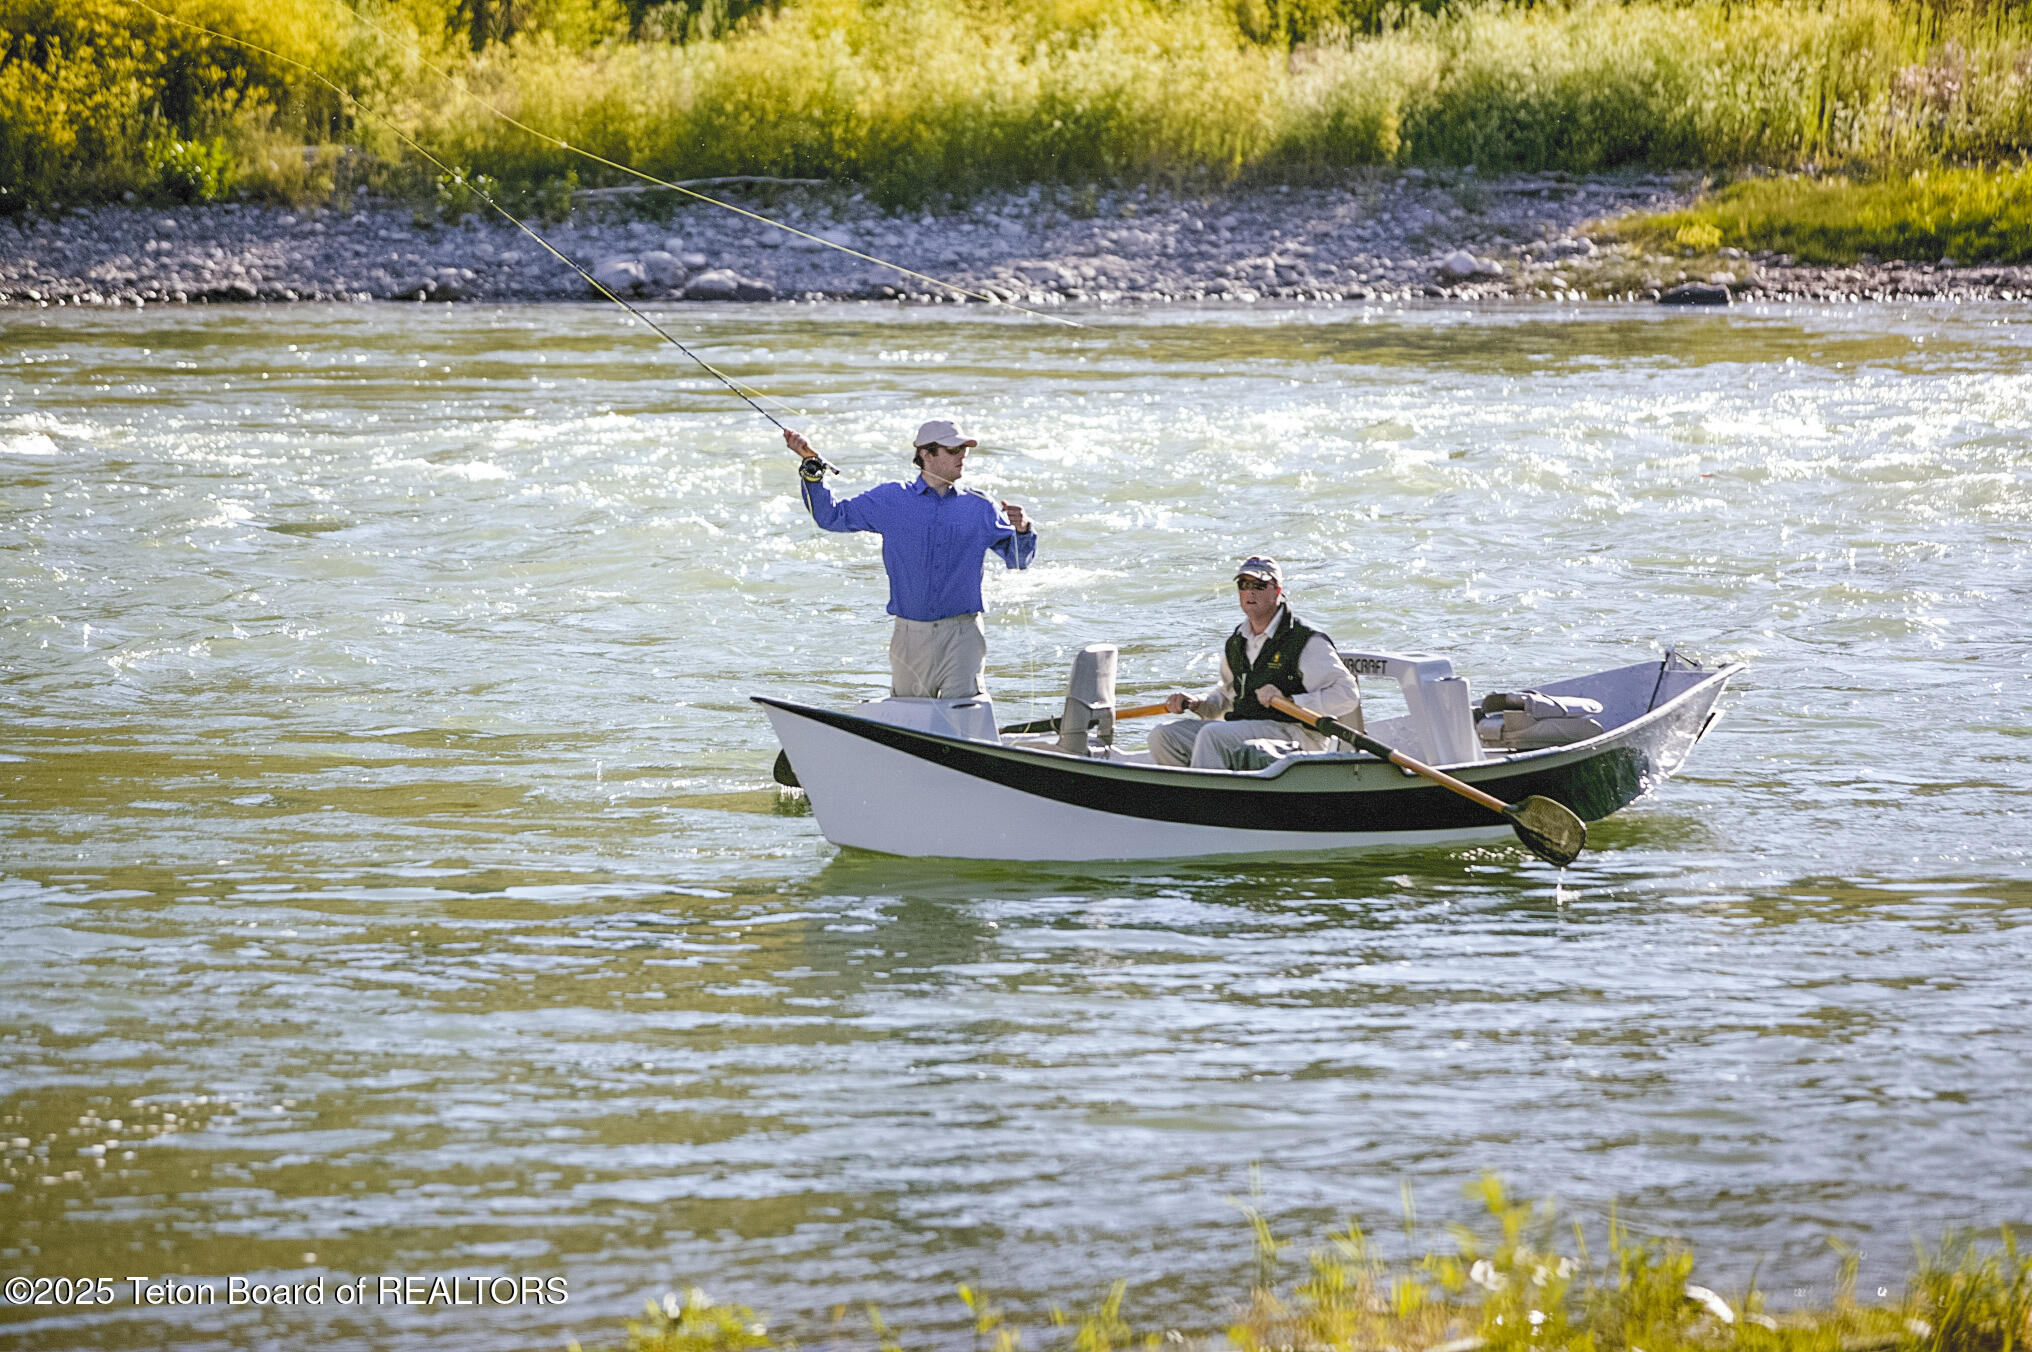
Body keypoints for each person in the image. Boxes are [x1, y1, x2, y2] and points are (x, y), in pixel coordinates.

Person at [785, 419, 1036, 699]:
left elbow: (1019, 560)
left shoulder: (981, 507)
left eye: (964, 449)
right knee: (909, 717)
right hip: (910, 635)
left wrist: (1023, 529)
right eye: (954, 450)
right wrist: (811, 468)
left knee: (964, 716)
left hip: (964, 636)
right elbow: (831, 517)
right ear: (926, 454)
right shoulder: (890, 498)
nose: (963, 456)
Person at [1149, 556, 1363, 771]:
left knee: (1212, 736)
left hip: (1297, 734)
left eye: (1259, 585)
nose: (1250, 592)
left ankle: (1207, 791)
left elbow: (1347, 694)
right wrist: (1197, 702)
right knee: (1163, 736)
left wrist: (1290, 700)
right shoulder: (1237, 641)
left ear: (1277, 591)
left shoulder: (1305, 640)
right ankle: (1189, 789)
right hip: (1247, 727)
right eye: (1244, 585)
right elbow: (1228, 697)